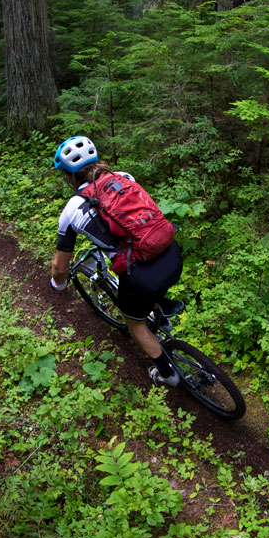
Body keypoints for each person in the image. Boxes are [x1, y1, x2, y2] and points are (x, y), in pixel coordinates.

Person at [49, 135, 185, 386]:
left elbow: (60, 267)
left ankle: (168, 374)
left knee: (134, 322)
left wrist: (58, 283)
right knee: (147, 286)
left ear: (68, 177)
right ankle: (162, 314)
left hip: (142, 276)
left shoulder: (72, 208)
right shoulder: (123, 178)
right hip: (172, 253)